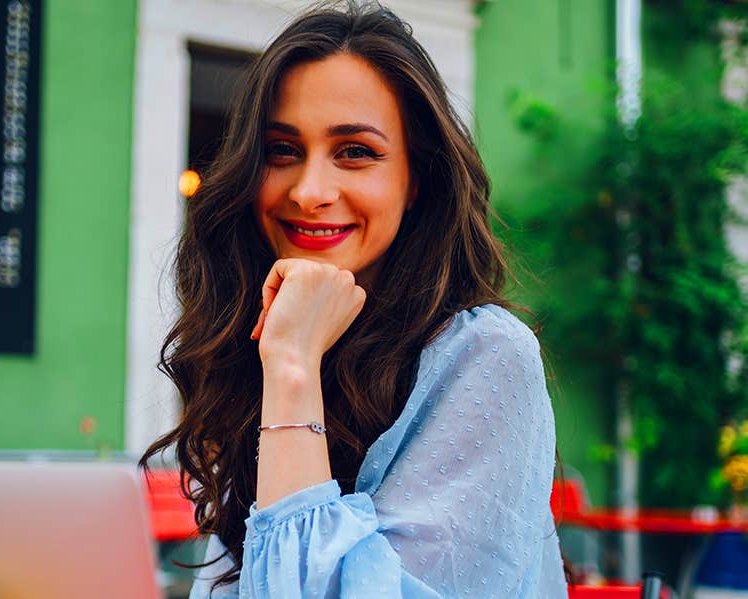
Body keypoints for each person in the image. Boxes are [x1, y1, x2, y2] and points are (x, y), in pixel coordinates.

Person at [140, 2, 567, 597]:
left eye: (355, 152)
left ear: (417, 178)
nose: (310, 191)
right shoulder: (272, 344)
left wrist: (291, 365)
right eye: (282, 151)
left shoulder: (486, 356)